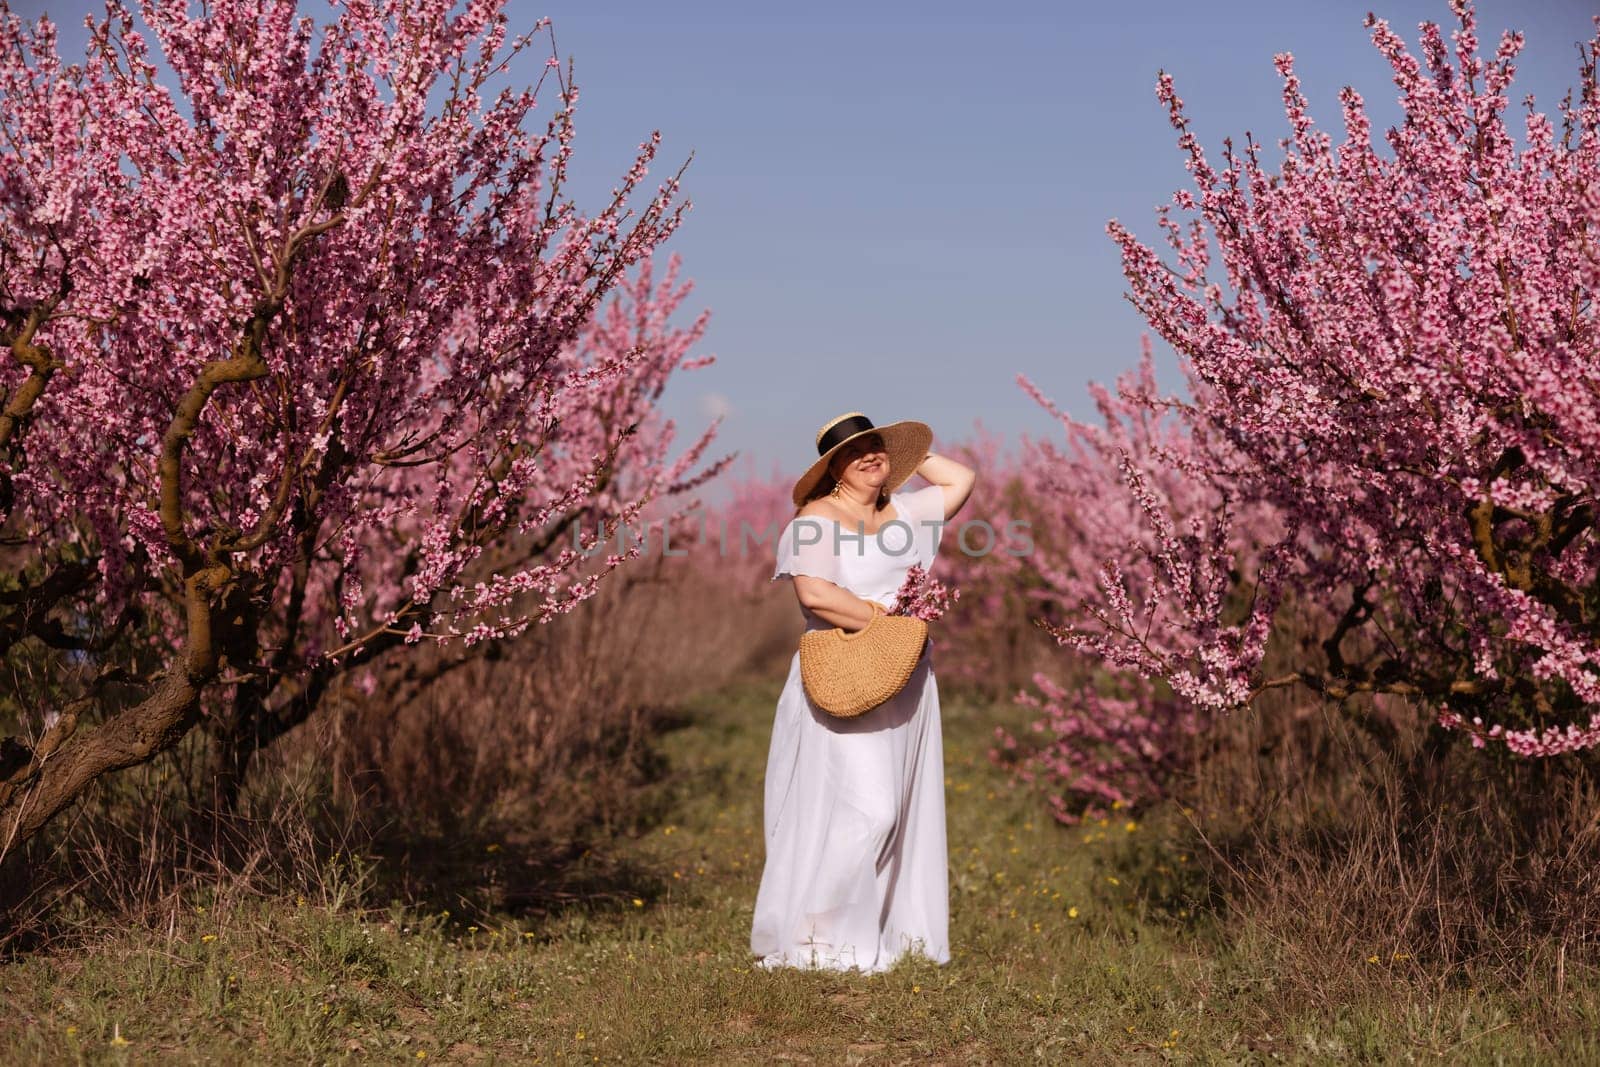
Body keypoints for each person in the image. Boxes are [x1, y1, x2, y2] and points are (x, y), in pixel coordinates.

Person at [751, 411, 977, 974]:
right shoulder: (815, 518)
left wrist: (903, 453)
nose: (870, 456)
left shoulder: (904, 512)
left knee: (897, 807)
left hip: (903, 674)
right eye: (855, 453)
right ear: (833, 469)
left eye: (875, 446)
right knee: (869, 809)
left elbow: (961, 482)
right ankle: (814, 934)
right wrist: (883, 619)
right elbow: (816, 594)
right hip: (846, 665)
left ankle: (875, 930)